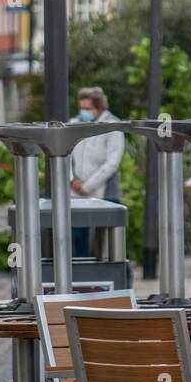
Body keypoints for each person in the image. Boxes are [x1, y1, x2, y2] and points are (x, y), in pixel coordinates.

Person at [70, 87, 125, 258]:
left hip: (104, 193)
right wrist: (72, 180)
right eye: (82, 108)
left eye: (88, 108)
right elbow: (65, 155)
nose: (83, 112)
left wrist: (87, 186)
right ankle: (82, 282)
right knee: (79, 241)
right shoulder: (73, 124)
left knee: (108, 246)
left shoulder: (112, 126)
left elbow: (112, 162)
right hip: (76, 194)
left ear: (99, 107)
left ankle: (120, 280)